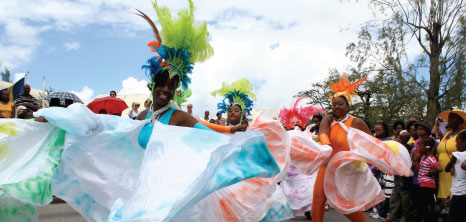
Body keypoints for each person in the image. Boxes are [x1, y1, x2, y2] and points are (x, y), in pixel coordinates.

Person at [312, 74, 371, 222]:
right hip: (326, 165)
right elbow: (323, 133)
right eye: (334, 104)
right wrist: (327, 147)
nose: (336, 107)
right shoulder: (328, 119)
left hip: (344, 168)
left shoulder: (356, 122)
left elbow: (371, 141)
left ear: (348, 106)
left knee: (343, 204)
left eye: (340, 104)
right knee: (318, 200)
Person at [436, 109, 466, 216]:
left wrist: (452, 164)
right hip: (443, 173)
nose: (450, 120)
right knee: (443, 207)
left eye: (453, 118)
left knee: (454, 205)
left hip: (455, 171)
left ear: (461, 121)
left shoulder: (463, 134)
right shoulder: (448, 134)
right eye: (449, 118)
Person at [383, 130, 412, 222]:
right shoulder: (394, 153)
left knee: (405, 202)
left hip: (405, 183)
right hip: (397, 182)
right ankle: (391, 216)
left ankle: (404, 217)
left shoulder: (407, 150)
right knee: (393, 200)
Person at [415, 137, 442, 222]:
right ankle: (424, 218)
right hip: (422, 184)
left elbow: (439, 168)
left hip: (428, 185)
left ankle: (427, 218)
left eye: (420, 146)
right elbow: (420, 170)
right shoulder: (423, 157)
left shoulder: (431, 158)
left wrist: (431, 172)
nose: (418, 147)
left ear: (427, 147)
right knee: (422, 203)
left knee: (427, 203)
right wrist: (416, 160)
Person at [445, 130, 466, 222]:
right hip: (461, 192)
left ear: (464, 142)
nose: (456, 145)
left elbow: (446, 168)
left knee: (453, 218)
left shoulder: (457, 154)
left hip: (459, 193)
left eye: (457, 142)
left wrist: (451, 166)